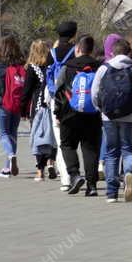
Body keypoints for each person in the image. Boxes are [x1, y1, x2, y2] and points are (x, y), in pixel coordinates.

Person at [92, 38, 132, 203]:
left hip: (108, 117)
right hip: (129, 116)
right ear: (129, 53)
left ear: (113, 52)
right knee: (129, 149)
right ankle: (129, 172)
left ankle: (111, 193)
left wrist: (101, 109)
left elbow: (94, 93)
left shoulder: (103, 68)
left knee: (111, 152)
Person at [54, 35, 103, 196]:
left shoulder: (67, 67)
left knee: (67, 145)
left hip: (69, 114)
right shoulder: (99, 67)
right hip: (93, 114)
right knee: (90, 148)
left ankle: (74, 175)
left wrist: (57, 113)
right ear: (92, 50)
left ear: (77, 49)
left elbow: (58, 90)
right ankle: (92, 185)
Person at [0, 35, 25, 178]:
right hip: (17, 104)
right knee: (13, 133)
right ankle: (7, 167)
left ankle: (10, 155)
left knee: (3, 134)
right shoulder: (20, 64)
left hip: (3, 104)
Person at [46, 20, 78, 187]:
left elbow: (48, 76)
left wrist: (53, 93)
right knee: (75, 140)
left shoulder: (51, 53)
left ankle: (66, 180)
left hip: (57, 99)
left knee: (60, 141)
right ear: (74, 34)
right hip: (74, 97)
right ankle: (77, 173)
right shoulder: (76, 52)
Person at [19, 40, 56, 182]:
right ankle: (51, 162)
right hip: (51, 104)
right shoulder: (51, 66)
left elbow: (26, 92)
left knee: (38, 137)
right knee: (51, 136)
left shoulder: (31, 68)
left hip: (37, 106)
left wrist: (22, 110)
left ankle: (40, 171)